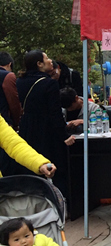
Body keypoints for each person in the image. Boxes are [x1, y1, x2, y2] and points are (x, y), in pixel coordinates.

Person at [17, 50, 74, 194]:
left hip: (27, 127)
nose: (50, 61)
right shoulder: (49, 83)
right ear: (39, 64)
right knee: (56, 169)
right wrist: (64, 135)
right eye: (46, 58)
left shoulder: (20, 81)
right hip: (47, 131)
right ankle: (59, 201)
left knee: (32, 166)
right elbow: (55, 113)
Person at [0, 53, 21, 130]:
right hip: (4, 123)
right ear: (10, 64)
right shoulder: (8, 76)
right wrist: (16, 122)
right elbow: (13, 102)